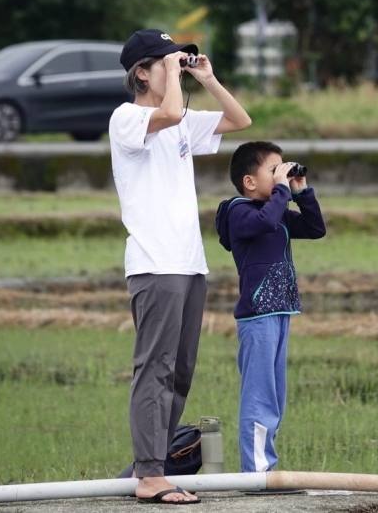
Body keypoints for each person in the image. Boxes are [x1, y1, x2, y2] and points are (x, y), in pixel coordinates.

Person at [109, 29, 252, 505]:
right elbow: (167, 112)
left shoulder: (181, 120)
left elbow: (239, 119)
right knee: (155, 368)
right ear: (141, 72)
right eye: (162, 63)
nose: (174, 68)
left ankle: (152, 467)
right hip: (155, 264)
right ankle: (150, 474)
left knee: (181, 372)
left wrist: (206, 77)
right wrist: (173, 67)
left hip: (190, 264)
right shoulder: (127, 118)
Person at [215, 141, 326, 474]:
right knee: (260, 397)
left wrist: (300, 191)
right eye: (273, 169)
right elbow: (263, 222)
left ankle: (265, 466)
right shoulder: (238, 211)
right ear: (250, 182)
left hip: (279, 313)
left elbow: (315, 228)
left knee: (275, 397)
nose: (282, 174)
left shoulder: (275, 213)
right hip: (257, 316)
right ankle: (257, 472)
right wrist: (280, 192)